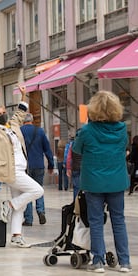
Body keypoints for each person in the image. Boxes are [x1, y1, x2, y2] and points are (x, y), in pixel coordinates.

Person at [72, 90, 131, 273]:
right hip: (116, 181)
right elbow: (123, 148)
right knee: (118, 220)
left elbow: (76, 150)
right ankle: (125, 262)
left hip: (93, 182)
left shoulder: (87, 131)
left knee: (95, 221)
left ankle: (98, 261)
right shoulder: (122, 129)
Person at [0, 85, 44, 248]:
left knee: (20, 206)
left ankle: (16, 235)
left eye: (3, 112)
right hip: (10, 170)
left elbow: (20, 113)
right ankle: (8, 204)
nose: (2, 115)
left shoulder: (12, 125)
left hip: (21, 168)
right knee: (38, 191)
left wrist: (24, 95)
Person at [20, 113, 54, 226]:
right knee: (39, 189)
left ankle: (28, 219)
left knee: (27, 191)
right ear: (32, 120)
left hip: (25, 166)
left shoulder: (19, 131)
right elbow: (48, 149)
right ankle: (41, 211)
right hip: (39, 165)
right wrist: (51, 165)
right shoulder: (40, 131)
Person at [66, 132, 82, 200]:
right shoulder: (86, 143)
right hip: (84, 168)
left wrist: (68, 168)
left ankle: (76, 204)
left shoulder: (73, 144)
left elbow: (69, 157)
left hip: (75, 168)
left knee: (76, 187)